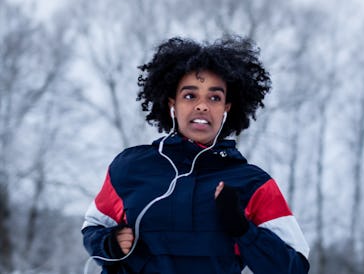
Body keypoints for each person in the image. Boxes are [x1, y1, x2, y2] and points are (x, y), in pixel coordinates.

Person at [82, 36, 310, 274]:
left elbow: (294, 267)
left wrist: (244, 230)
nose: (202, 106)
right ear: (172, 104)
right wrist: (109, 244)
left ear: (226, 109)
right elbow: (94, 226)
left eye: (214, 98)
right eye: (190, 96)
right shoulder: (129, 168)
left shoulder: (253, 184)